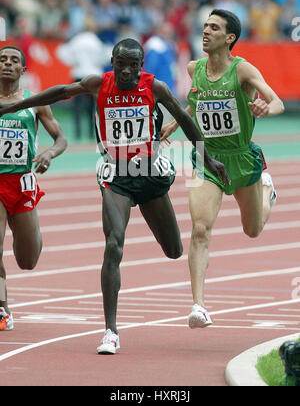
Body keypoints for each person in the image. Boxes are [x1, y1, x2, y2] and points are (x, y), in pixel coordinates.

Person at [0, 38, 229, 353]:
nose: (125, 71)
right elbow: (60, 92)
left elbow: (185, 119)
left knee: (174, 249)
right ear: (112, 62)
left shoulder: (155, 87)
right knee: (113, 243)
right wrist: (14, 105)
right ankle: (110, 331)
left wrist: (208, 157)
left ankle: (117, 320)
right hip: (115, 176)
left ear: (140, 66)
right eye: (120, 64)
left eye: (132, 65)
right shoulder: (99, 83)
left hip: (148, 175)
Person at [160, 9, 285, 329]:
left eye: (214, 28)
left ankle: (267, 190)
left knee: (253, 229)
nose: (205, 31)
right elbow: (198, 101)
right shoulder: (194, 68)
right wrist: (176, 122)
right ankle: (198, 306)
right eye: (204, 26)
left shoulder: (242, 70)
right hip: (208, 159)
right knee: (200, 230)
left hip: (242, 159)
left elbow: (277, 102)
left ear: (229, 38)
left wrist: (264, 107)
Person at [0, 45, 67, 331]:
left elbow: (61, 139)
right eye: (2, 59)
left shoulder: (35, 102)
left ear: (22, 69)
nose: (7, 63)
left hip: (23, 183)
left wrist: (49, 153)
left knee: (28, 260)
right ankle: (3, 308)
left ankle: (29, 235)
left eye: (14, 60)